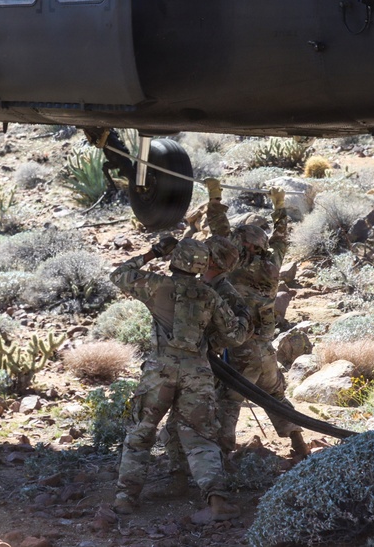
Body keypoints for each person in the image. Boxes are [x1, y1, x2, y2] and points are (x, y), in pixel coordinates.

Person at [110, 236, 246, 520]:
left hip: (159, 372)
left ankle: (126, 499)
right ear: (202, 264)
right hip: (198, 374)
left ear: (176, 259)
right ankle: (217, 501)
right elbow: (235, 335)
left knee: (141, 431)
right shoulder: (210, 295)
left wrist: (153, 252)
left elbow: (118, 274)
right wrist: (243, 315)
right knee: (201, 437)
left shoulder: (158, 285)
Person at [202, 178, 310, 458]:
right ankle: (299, 444)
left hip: (240, 348)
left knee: (229, 400)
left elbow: (219, 231)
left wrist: (215, 198)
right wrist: (279, 206)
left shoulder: (233, 266)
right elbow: (281, 238)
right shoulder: (273, 264)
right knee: (275, 397)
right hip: (265, 347)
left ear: (241, 245)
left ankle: (222, 457)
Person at [161, 234, 249, 496]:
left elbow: (234, 334)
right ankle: (181, 476)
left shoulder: (223, 292)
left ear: (212, 259)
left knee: (197, 426)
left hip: (206, 367)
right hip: (194, 365)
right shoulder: (204, 286)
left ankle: (210, 484)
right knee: (177, 424)